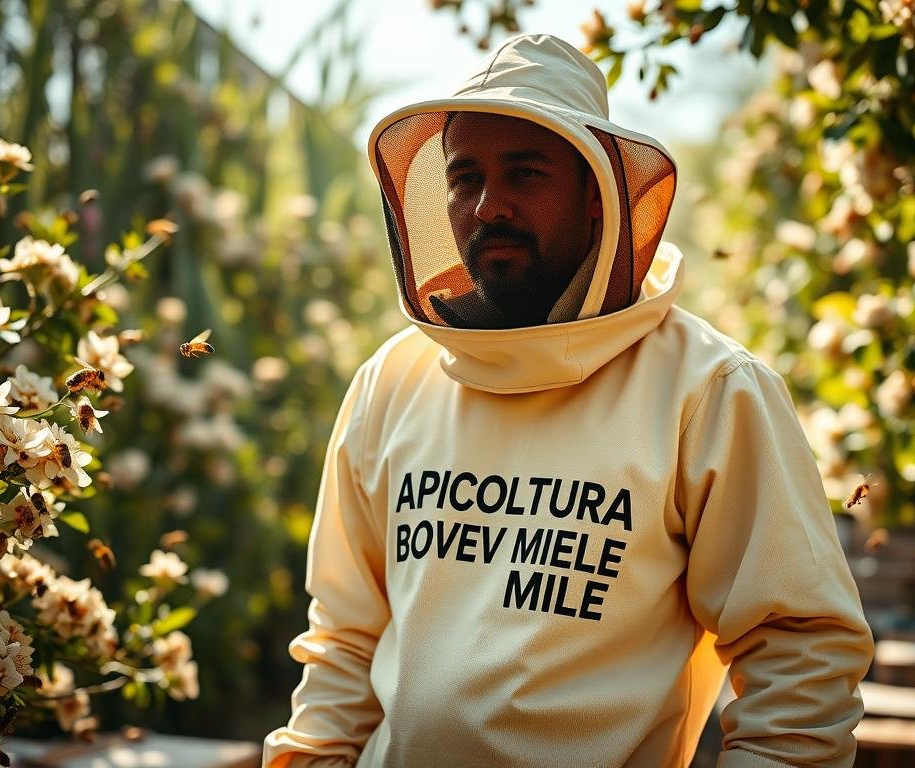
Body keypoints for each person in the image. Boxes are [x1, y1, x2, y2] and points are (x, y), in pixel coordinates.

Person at [264, 34, 874, 768]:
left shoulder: (708, 391)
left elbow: (800, 655)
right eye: (465, 177)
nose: (490, 206)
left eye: (525, 172)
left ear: (598, 197)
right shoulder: (392, 382)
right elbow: (344, 642)